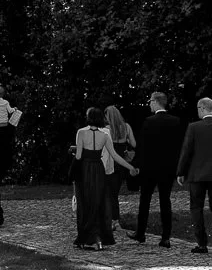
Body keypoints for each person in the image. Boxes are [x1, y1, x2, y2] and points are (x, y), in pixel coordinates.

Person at [175, 97, 212, 256]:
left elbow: (187, 150)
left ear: (202, 108)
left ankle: (201, 243)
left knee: (196, 207)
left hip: (197, 174)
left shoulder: (194, 127)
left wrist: (181, 172)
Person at [71, 107, 134, 250]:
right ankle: (98, 238)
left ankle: (86, 237)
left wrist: (73, 167)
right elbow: (115, 155)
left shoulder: (81, 132)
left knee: (85, 202)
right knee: (98, 201)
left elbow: (79, 156)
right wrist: (130, 167)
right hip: (99, 169)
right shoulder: (105, 135)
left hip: (85, 169)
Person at [131, 91, 185, 246]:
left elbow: (142, 146)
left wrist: (136, 164)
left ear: (155, 102)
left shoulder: (149, 121)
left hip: (150, 167)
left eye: (150, 102)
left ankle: (140, 233)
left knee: (145, 200)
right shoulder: (175, 121)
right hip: (168, 167)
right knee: (165, 200)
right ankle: (166, 236)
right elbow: (179, 146)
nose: (149, 105)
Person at [103, 103, 137, 233]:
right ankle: (115, 220)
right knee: (114, 194)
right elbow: (134, 144)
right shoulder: (126, 127)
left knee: (107, 193)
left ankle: (108, 219)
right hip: (122, 163)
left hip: (110, 162)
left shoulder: (106, 129)